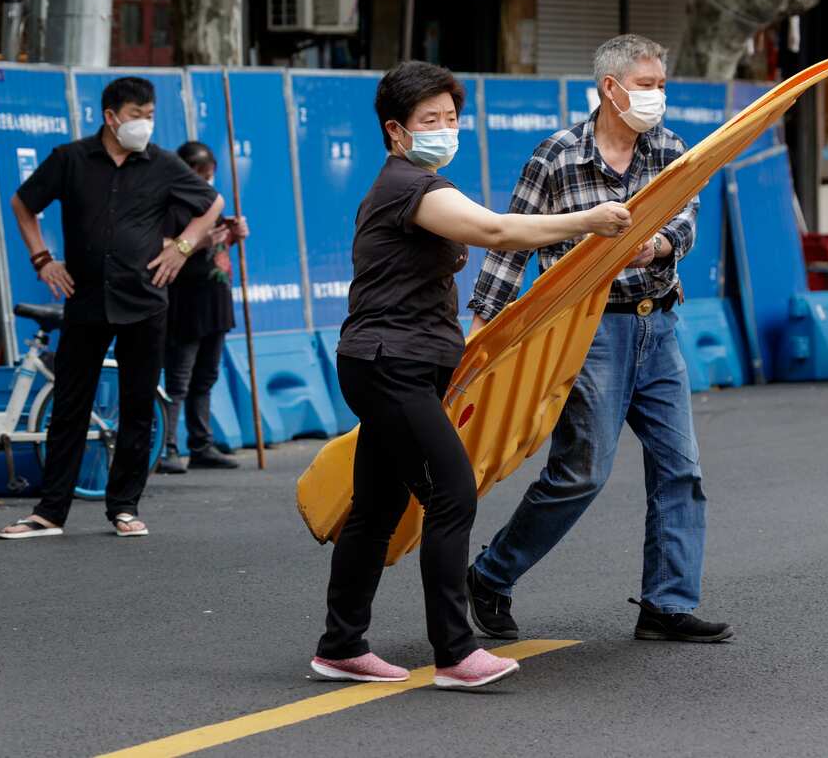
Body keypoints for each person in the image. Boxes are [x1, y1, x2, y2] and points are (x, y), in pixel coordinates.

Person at [311, 60, 632, 690]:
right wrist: (586, 222)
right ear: (396, 132)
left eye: (451, 118)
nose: (443, 128)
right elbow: (495, 230)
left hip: (397, 363)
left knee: (376, 509)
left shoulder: (423, 182)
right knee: (451, 490)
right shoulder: (411, 186)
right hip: (388, 366)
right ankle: (455, 654)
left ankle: (340, 645)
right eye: (428, 120)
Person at [464, 34, 733, 644]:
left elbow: (685, 215)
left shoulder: (669, 148)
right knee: (581, 472)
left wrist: (661, 243)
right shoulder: (556, 156)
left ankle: (666, 604)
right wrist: (480, 328)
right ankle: (490, 574)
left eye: (662, 85)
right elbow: (514, 241)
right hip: (590, 330)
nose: (658, 96)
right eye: (647, 85)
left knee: (681, 469)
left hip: (658, 322)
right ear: (610, 89)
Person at [0, 77, 222, 540]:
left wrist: (181, 247)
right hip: (86, 297)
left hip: (144, 299)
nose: (145, 123)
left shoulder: (162, 163)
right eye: (137, 115)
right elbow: (23, 203)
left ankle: (124, 507)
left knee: (138, 407)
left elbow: (212, 203)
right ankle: (50, 512)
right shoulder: (70, 159)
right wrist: (42, 259)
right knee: (69, 406)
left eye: (150, 115)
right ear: (111, 117)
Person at [155, 141, 248, 474]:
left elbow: (221, 242)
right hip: (185, 303)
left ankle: (201, 443)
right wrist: (203, 241)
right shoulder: (170, 207)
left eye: (210, 175)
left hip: (215, 302)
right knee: (178, 379)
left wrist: (235, 234)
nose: (206, 181)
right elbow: (161, 247)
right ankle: (166, 447)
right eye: (200, 175)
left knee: (205, 377)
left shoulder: (211, 204)